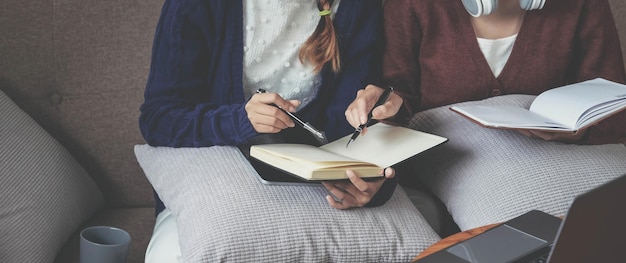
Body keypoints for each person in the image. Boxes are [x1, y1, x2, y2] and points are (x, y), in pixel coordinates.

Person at [139, 0, 396, 261]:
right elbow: (158, 119)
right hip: (213, 185)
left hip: (308, 192)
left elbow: (347, 130)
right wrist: (239, 120)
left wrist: (372, 182)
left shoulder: (357, 7)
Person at [346, 0, 626, 145]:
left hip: (563, 160)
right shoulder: (412, 5)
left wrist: (575, 134)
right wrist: (390, 104)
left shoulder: (582, 5)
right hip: (452, 165)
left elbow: (614, 108)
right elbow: (401, 97)